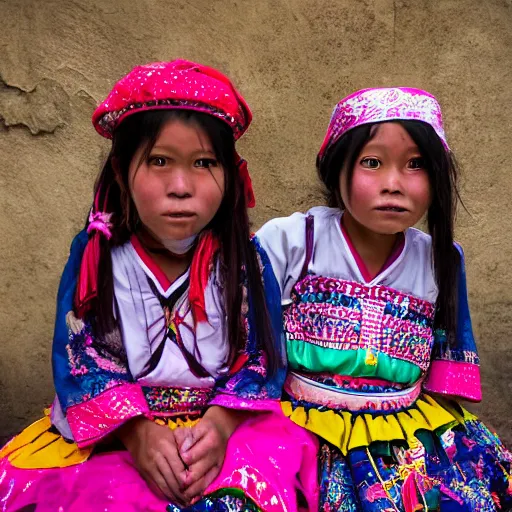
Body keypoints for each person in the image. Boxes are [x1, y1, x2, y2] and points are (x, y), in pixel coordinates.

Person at [0, 60, 318, 512]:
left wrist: (221, 425)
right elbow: (81, 358)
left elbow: (263, 355)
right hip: (119, 433)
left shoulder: (246, 261)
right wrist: (137, 433)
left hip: (221, 424)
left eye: (204, 162)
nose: (181, 186)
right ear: (119, 171)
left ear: (231, 175)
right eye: (159, 161)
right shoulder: (98, 257)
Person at [257, 87, 512, 511]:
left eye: (415, 165)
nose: (393, 184)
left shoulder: (440, 259)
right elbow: (252, 351)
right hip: (300, 427)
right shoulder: (289, 242)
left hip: (406, 432)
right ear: (337, 170)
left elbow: (447, 365)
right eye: (371, 163)